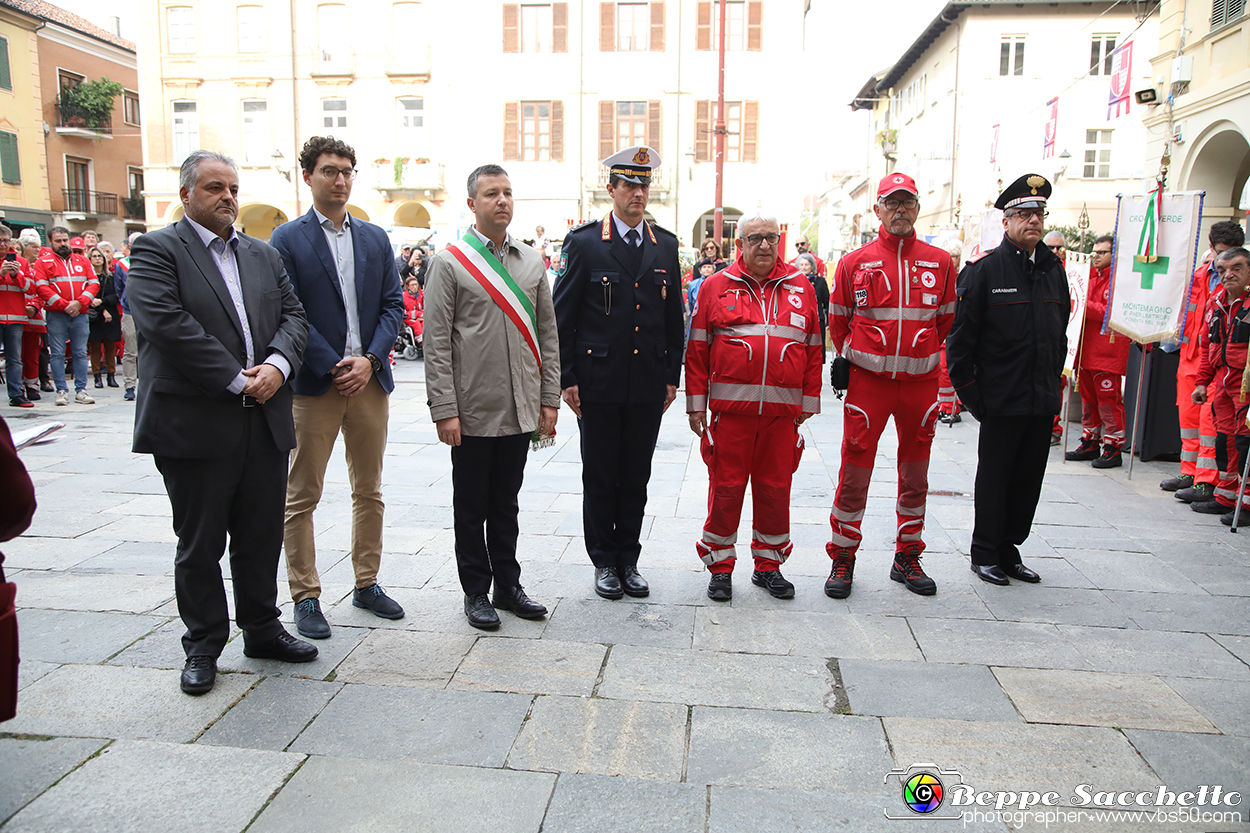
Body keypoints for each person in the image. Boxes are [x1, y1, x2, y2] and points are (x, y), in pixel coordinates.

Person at [126, 150, 316, 696]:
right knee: (200, 540)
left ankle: (261, 627)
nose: (227, 197)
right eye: (214, 188)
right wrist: (239, 379)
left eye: (232, 187)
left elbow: (294, 316)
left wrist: (278, 367)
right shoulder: (157, 249)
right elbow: (167, 324)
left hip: (264, 420)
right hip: (196, 422)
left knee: (259, 536)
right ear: (186, 194)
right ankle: (204, 644)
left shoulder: (261, 254)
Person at [269, 136, 407, 640]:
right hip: (313, 386)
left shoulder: (373, 237)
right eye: (329, 170)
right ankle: (305, 596)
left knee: (369, 489)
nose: (340, 179)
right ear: (308, 177)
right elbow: (289, 312)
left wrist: (369, 360)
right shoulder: (286, 239)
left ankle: (366, 583)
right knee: (301, 494)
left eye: (347, 170)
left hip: (369, 382)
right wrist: (334, 365)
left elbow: (393, 305)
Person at [424, 164, 560, 630]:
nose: (501, 201)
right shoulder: (449, 262)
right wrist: (444, 410)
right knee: (471, 505)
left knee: (507, 503)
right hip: (472, 409)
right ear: (472, 204)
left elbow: (548, 335)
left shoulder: (531, 261)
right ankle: (475, 591)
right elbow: (436, 342)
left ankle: (508, 584)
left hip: (521, 406)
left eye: (506, 193)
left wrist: (549, 399)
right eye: (490, 194)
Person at [553, 145, 684, 600]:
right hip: (599, 381)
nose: (637, 193)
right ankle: (604, 560)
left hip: (647, 382)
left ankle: (629, 558)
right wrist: (568, 377)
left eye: (644, 185)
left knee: (636, 475)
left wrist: (672, 376)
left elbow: (674, 320)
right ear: (611, 189)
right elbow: (562, 316)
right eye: (629, 184)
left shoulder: (664, 244)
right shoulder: (585, 242)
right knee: (601, 473)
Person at [823, 172, 956, 599]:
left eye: (907, 203)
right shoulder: (854, 262)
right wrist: (861, 359)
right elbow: (839, 322)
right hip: (869, 386)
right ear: (877, 209)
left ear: (917, 209)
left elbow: (946, 320)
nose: (900, 210)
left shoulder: (940, 262)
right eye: (891, 203)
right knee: (854, 472)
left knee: (916, 475)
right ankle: (842, 557)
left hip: (919, 386)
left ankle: (908, 554)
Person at [685, 214, 822, 600]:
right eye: (755, 238)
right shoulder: (715, 287)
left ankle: (769, 565)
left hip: (781, 417)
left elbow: (814, 348)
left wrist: (808, 402)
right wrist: (696, 405)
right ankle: (721, 566)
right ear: (740, 243)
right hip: (731, 416)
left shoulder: (801, 286)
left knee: (776, 491)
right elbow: (696, 350)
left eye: (771, 238)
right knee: (725, 490)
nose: (764, 245)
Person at [947, 173, 1068, 586]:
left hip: (1040, 397)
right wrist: (973, 398)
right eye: (1023, 214)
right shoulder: (984, 271)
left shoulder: (1053, 270)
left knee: (1027, 479)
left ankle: (1010, 549)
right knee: (996, 477)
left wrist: (1053, 382)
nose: (1032, 221)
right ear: (1006, 221)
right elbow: (960, 343)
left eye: (1038, 213)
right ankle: (985, 552)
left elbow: (1059, 331)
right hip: (1001, 397)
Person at [1165, 221, 1245, 501]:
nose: (1224, 266)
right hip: (1191, 354)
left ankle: (1207, 479)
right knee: (1188, 417)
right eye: (1220, 254)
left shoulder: (1237, 281)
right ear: (1211, 247)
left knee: (1213, 421)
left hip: (1219, 358)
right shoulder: (1201, 274)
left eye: (1230, 255)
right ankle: (1189, 470)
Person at [1190, 247, 1250, 524]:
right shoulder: (1217, 302)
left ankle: (1246, 503)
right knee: (1225, 440)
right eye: (1223, 270)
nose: (1228, 275)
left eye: (1236, 268)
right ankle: (1226, 495)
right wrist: (1202, 382)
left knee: (1245, 440)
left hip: (1245, 384)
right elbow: (1208, 344)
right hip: (1224, 383)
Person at [1065, 236, 1128, 468]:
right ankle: (1091, 440)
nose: (1097, 256)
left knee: (1108, 401)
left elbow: (1109, 312)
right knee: (1088, 399)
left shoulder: (1119, 282)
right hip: (1086, 350)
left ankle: (1114, 446)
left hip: (1108, 351)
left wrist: (1080, 304)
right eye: (1095, 252)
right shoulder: (1091, 278)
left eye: (1103, 252)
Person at [34, 227, 97, 405]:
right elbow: (41, 287)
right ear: (51, 242)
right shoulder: (42, 262)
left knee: (80, 353)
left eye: (65, 240)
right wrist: (65, 305)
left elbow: (93, 284)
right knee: (57, 354)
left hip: (80, 312)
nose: (63, 244)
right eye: (58, 241)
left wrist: (80, 302)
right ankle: (61, 390)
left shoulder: (83, 260)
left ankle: (81, 390)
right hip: (56, 314)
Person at [0, 225, 32, 408]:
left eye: (6, 240)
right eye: (0, 240)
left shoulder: (21, 262)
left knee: (14, 359)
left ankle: (16, 394)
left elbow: (30, 288)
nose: (3, 244)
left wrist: (16, 274)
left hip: (15, 317)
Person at [16, 230, 49, 400]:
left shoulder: (39, 268)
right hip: (15, 317)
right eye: (33, 247)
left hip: (34, 318)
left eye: (39, 247)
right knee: (15, 355)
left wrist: (35, 306)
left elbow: (42, 291)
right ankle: (18, 386)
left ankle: (32, 385)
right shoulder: (12, 267)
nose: (38, 250)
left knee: (33, 355)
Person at [85, 246, 121, 389]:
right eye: (94, 256)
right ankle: (97, 377)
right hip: (95, 315)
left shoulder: (111, 277)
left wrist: (104, 303)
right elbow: (89, 297)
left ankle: (111, 376)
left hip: (110, 315)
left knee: (110, 346)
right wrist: (102, 309)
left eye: (99, 256)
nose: (97, 259)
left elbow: (116, 295)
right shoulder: (87, 278)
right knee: (94, 347)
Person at [936, 240, 963, 424]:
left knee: (948, 372)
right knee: (942, 372)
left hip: (956, 330)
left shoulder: (964, 275)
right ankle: (945, 406)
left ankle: (951, 408)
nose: (952, 259)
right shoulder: (942, 274)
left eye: (954, 256)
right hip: (943, 332)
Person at [113, 235, 140, 401]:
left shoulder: (155, 261)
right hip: (130, 311)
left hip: (151, 312)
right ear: (130, 245)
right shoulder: (122, 264)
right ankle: (130, 385)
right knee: (130, 350)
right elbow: (118, 288)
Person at [795, 252, 829, 363]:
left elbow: (827, 303)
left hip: (817, 320)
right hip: (799, 320)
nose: (804, 267)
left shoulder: (820, 282)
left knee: (816, 353)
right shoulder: (794, 282)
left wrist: (828, 322)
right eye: (801, 265)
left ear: (812, 266)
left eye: (807, 265)